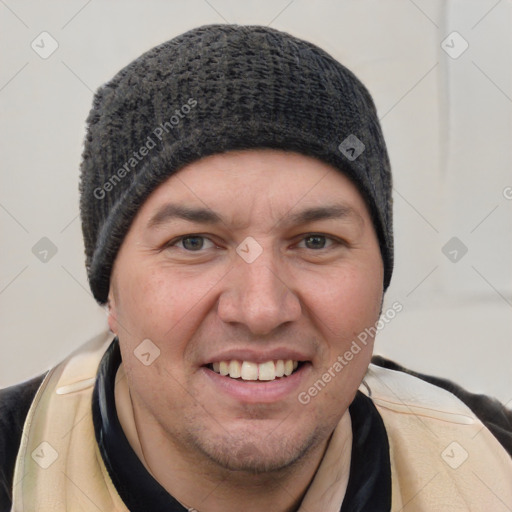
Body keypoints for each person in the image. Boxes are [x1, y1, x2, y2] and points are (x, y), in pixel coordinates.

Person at [1, 24, 511, 512]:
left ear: (380, 277)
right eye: (194, 242)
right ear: (110, 291)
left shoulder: (492, 464)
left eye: (316, 241)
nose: (262, 309)